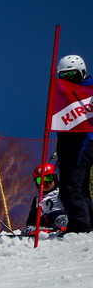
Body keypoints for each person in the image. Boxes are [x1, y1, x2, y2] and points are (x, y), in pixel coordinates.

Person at [53, 54, 93, 233]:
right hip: (68, 145)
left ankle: (79, 227)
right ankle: (88, 222)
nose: (68, 80)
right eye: (64, 76)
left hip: (83, 144)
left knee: (71, 188)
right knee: (77, 189)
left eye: (72, 75)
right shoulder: (62, 92)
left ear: (82, 73)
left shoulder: (88, 90)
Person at [22, 162, 67, 235]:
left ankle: (66, 226)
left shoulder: (61, 192)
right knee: (27, 230)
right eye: (40, 180)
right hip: (46, 222)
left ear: (55, 179)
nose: (44, 182)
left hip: (60, 216)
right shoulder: (37, 200)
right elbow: (32, 220)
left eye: (48, 178)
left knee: (61, 219)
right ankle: (48, 231)